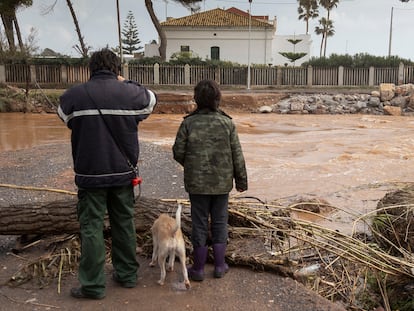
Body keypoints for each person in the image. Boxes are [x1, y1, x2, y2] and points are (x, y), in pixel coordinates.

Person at [58, 48, 157, 299]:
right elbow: (151, 100)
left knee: (91, 227)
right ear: (117, 70)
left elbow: (64, 117)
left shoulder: (74, 96)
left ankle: (92, 285)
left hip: (90, 176)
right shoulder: (130, 93)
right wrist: (127, 82)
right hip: (123, 174)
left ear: (91, 69)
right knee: (124, 223)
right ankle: (127, 275)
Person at [172, 79, 248, 281]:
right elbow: (237, 155)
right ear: (217, 99)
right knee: (220, 222)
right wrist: (241, 182)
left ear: (196, 99)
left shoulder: (188, 123)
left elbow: (178, 151)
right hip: (222, 184)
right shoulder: (227, 123)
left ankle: (197, 269)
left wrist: (192, 166)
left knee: (199, 224)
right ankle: (220, 266)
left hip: (197, 185)